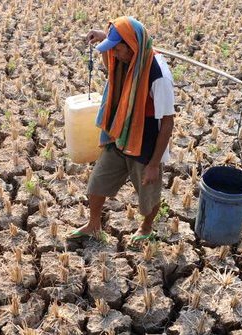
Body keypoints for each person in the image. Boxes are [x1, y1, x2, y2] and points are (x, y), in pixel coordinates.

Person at [67, 17, 175, 243]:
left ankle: (146, 228)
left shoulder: (159, 75)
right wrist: (106, 39)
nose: (113, 54)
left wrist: (154, 164)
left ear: (132, 45)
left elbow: (167, 123)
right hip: (119, 134)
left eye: (117, 48)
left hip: (146, 143)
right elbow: (111, 64)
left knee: (148, 195)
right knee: (97, 183)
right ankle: (94, 224)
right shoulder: (127, 58)